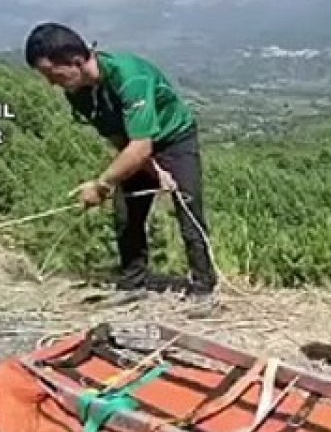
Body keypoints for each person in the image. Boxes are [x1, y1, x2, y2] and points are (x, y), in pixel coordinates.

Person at [23, 22, 218, 308]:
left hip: (174, 139)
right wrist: (153, 171)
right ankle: (133, 283)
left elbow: (141, 146)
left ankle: (204, 289)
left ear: (76, 61)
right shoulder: (77, 93)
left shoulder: (130, 77)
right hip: (134, 144)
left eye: (53, 74)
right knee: (127, 214)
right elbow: (121, 139)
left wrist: (101, 185)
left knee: (188, 211)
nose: (52, 83)